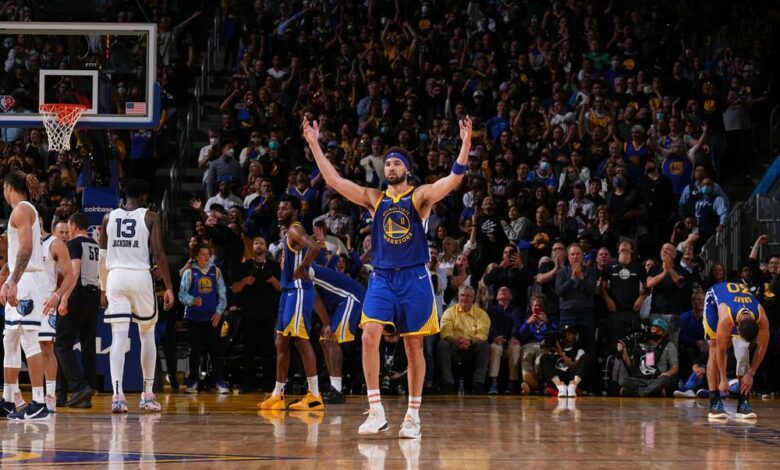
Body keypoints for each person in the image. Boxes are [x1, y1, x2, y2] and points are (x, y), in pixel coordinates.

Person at [303, 114, 473, 438]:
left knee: (414, 347)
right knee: (369, 335)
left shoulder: (419, 197)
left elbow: (451, 181)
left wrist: (465, 145)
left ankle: (412, 416)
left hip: (414, 278)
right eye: (388, 163)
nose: (391, 167)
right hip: (381, 278)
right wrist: (314, 144)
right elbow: (335, 182)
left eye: (397, 163)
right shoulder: (374, 198)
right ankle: (376, 411)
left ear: (406, 169)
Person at [98, 179, 175, 413]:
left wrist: (103, 287)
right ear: (143, 197)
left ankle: (118, 397)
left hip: (115, 277)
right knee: (147, 333)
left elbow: (102, 257)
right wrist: (169, 287)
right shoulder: (150, 216)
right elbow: (158, 253)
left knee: (118, 338)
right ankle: (147, 395)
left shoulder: (108, 217)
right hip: (140, 276)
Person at [0, 171, 61, 420]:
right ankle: (8, 400)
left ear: (8, 187)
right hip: (23, 279)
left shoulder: (22, 210)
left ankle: (38, 402)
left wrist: (13, 281)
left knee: (29, 341)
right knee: (10, 340)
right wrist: (8, 279)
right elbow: (18, 252)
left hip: (28, 281)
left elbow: (25, 249)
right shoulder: (24, 210)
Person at [258, 196, 325, 411]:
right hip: (288, 292)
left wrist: (302, 267)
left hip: (297, 291)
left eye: (285, 208)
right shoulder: (289, 233)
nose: (280, 211)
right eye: (279, 208)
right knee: (281, 342)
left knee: (301, 341)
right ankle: (278, 394)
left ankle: (314, 396)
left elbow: (314, 247)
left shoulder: (295, 229)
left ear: (295, 211)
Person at [704, 281, 770, 420]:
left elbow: (763, 346)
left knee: (742, 350)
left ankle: (743, 401)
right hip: (714, 300)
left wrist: (751, 373)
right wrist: (723, 379)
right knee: (714, 348)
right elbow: (721, 351)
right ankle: (715, 401)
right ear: (737, 328)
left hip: (738, 302)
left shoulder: (761, 317)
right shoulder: (726, 319)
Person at [58, 213, 101, 410]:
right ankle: (87, 391)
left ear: (74, 226)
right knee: (88, 345)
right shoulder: (95, 245)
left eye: (68, 227)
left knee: (61, 343)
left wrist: (64, 297)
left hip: (78, 293)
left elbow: (74, 271)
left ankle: (78, 387)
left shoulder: (74, 244)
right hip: (93, 295)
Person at [35, 213, 75, 412]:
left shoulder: (54, 244)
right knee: (21, 347)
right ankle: (20, 396)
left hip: (46, 302)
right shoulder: (22, 242)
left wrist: (59, 296)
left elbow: (68, 275)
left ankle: (50, 395)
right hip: (25, 300)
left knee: (46, 347)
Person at [309, 264, 365, 404]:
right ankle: (334, 386)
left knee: (331, 338)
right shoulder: (300, 270)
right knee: (324, 340)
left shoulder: (304, 270)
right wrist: (325, 323)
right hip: (338, 302)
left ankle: (337, 390)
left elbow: (316, 299)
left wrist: (326, 323)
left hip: (350, 296)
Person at [231, 236, 281, 393]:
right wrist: (245, 281)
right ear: (252, 246)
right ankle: (247, 383)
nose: (258, 245)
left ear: (266, 247)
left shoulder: (273, 266)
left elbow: (282, 288)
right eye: (256, 243)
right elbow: (234, 288)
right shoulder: (244, 266)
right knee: (248, 350)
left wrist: (272, 280)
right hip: (249, 313)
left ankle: (268, 383)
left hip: (268, 313)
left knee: (268, 350)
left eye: (261, 243)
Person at [178, 244, 229, 394]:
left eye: (208, 254)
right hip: (194, 319)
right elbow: (182, 294)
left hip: (212, 318)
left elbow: (223, 294)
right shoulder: (189, 272)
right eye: (203, 254)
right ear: (196, 256)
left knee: (215, 351)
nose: (206, 257)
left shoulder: (216, 271)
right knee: (195, 352)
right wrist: (192, 300)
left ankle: (219, 382)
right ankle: (193, 382)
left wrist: (219, 312)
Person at [437, 285, 491, 394]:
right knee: (442, 344)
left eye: (468, 296)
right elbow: (445, 333)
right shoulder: (449, 312)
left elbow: (482, 334)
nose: (464, 298)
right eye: (462, 295)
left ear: (473, 297)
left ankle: (478, 382)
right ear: (458, 296)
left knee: (484, 345)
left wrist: (470, 341)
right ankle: (448, 383)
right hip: (454, 346)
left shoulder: (481, 314)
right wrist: (457, 341)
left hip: (472, 346)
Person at [616, 318, 679, 397]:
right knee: (623, 381)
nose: (654, 332)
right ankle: (654, 392)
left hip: (656, 379)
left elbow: (675, 368)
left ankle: (638, 393)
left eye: (658, 330)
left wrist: (667, 373)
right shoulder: (642, 343)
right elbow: (630, 365)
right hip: (640, 379)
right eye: (653, 329)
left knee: (665, 380)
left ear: (664, 334)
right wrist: (624, 351)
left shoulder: (669, 345)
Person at [538, 324, 590, 398]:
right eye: (565, 334)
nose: (567, 336)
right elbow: (547, 369)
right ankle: (560, 387)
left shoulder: (579, 351)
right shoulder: (554, 350)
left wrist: (561, 353)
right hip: (558, 379)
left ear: (575, 336)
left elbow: (574, 366)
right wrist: (549, 348)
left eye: (570, 334)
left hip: (571, 377)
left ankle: (573, 386)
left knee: (586, 357)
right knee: (544, 357)